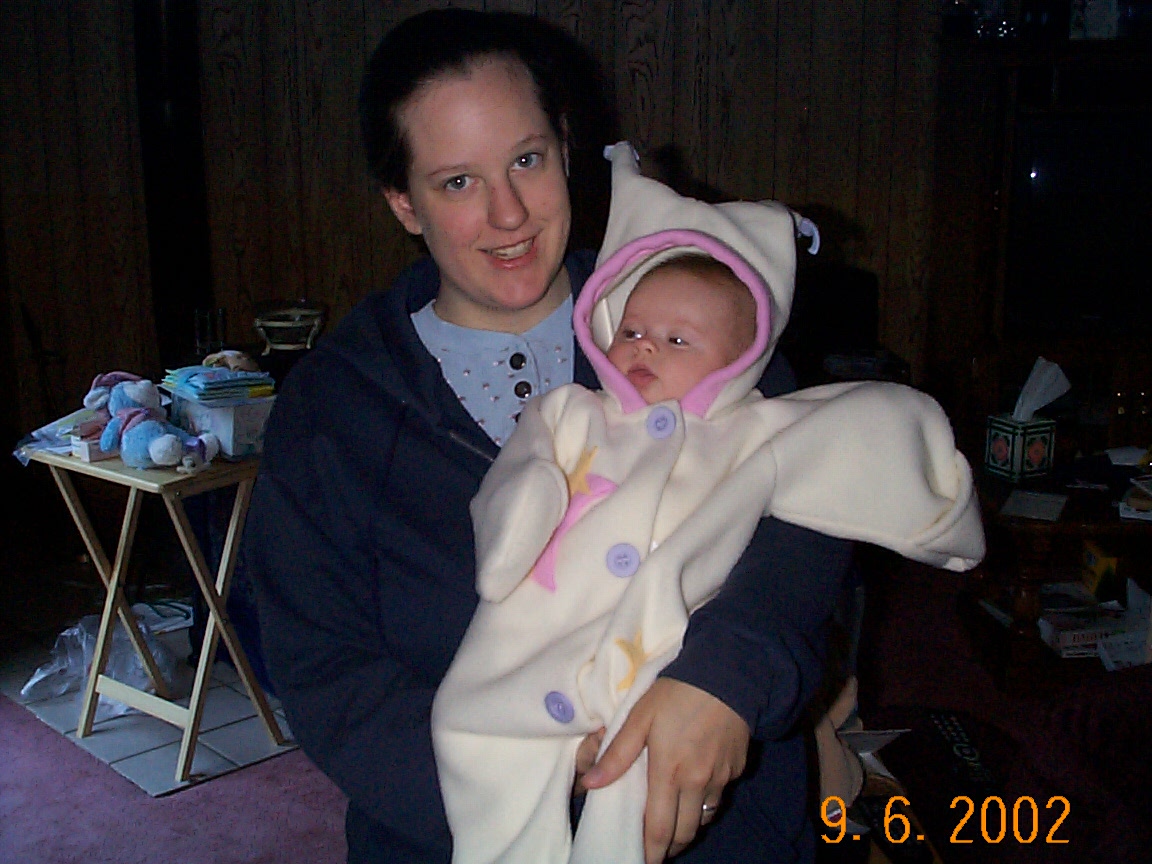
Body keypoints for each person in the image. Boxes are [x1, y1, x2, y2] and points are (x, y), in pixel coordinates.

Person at [245, 9, 857, 864]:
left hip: (723, 830)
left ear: (566, 149)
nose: (508, 215)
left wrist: (727, 679)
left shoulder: (692, 315)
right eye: (458, 182)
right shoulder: (332, 408)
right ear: (403, 202)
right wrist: (518, 777)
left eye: (526, 160)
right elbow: (323, 673)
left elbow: (812, 514)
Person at [430, 143, 985, 864]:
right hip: (543, 640)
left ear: (740, 362)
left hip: (661, 661)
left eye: (678, 340)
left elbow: (859, 436)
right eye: (632, 330)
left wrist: (941, 516)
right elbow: (521, 471)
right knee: (472, 727)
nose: (645, 349)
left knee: (636, 785)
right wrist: (514, 526)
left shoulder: (754, 431)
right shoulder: (575, 410)